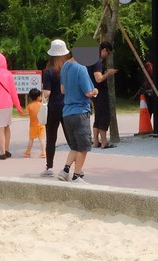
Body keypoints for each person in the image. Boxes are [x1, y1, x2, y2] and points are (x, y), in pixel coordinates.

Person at [57, 43, 98, 183]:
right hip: (80, 112)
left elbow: (62, 90)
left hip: (67, 112)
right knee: (83, 147)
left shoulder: (65, 66)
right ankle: (77, 175)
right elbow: (88, 92)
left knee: (74, 146)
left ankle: (65, 171)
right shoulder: (81, 68)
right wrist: (95, 91)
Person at [41, 40, 70, 176]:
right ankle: (74, 166)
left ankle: (49, 167)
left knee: (51, 138)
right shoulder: (69, 69)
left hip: (53, 107)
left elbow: (47, 93)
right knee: (71, 138)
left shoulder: (48, 71)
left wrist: (42, 94)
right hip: (68, 106)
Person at [88, 41, 118, 149]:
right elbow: (98, 78)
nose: (108, 55)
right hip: (100, 92)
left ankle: (96, 141)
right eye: (108, 53)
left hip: (93, 91)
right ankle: (104, 141)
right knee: (104, 116)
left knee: (98, 116)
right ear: (104, 50)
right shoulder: (97, 62)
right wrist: (108, 73)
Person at [24, 88, 46, 158]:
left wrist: (21, 113)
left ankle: (28, 152)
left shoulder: (29, 106)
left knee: (31, 139)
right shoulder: (42, 105)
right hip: (41, 125)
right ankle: (43, 152)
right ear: (38, 97)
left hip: (33, 126)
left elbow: (26, 114)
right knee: (42, 139)